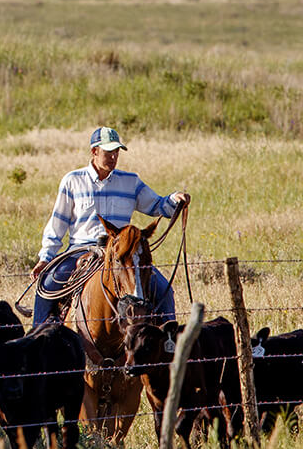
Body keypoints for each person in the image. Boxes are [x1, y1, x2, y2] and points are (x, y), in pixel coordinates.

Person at [30, 126, 191, 324]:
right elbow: (58, 223)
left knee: (164, 291)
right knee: (47, 286)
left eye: (116, 152)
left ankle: (168, 342)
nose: (114, 157)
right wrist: (45, 258)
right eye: (108, 152)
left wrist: (176, 199)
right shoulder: (73, 181)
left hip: (121, 253)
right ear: (94, 151)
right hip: (81, 250)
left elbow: (157, 205)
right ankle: (39, 336)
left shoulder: (130, 181)